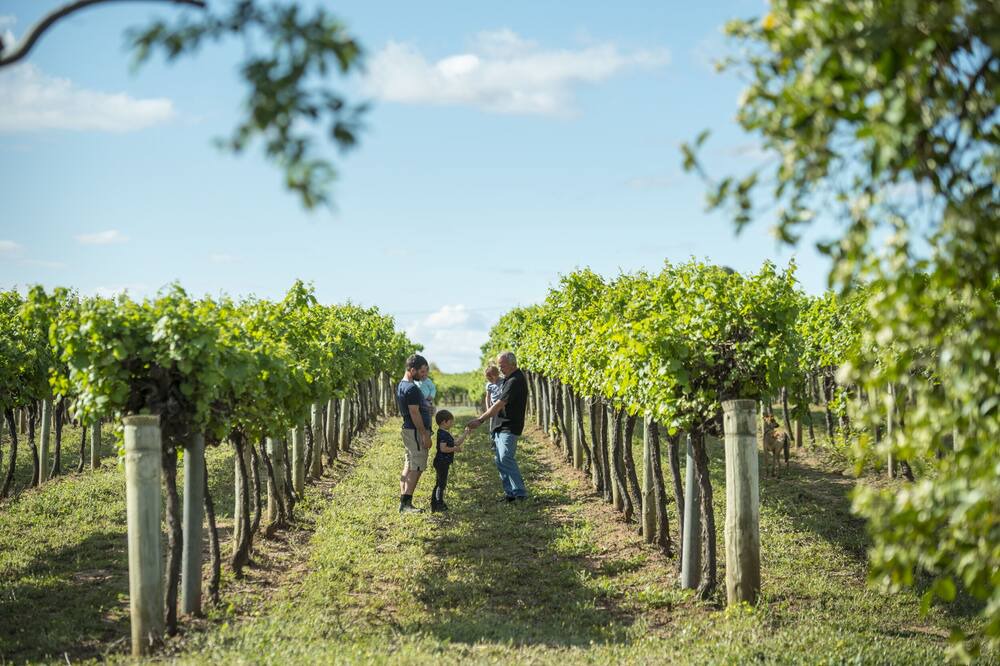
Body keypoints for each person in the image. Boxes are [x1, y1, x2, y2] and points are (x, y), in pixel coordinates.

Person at [468, 351, 529, 502]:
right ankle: (510, 494)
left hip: (509, 426)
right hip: (499, 425)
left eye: (502, 365)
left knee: (505, 457)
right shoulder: (508, 379)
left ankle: (520, 493)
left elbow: (499, 404)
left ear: (512, 364)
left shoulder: (515, 380)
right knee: (500, 460)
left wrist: (480, 420)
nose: (500, 369)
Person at [396, 354, 432, 513]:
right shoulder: (410, 388)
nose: (423, 375)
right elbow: (414, 413)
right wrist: (424, 434)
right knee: (416, 466)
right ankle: (406, 504)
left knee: (409, 464)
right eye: (421, 371)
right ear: (412, 370)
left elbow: (417, 408)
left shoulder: (404, 385)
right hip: (415, 431)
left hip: (409, 429)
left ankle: (404, 500)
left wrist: (427, 408)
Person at [430, 409, 470, 513]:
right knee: (441, 484)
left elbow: (456, 443)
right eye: (451, 421)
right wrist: (455, 449)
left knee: (439, 482)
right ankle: (439, 504)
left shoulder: (445, 433)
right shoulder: (442, 434)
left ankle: (435, 504)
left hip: (443, 462)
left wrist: (465, 433)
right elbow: (443, 448)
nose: (452, 423)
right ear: (444, 422)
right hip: (441, 462)